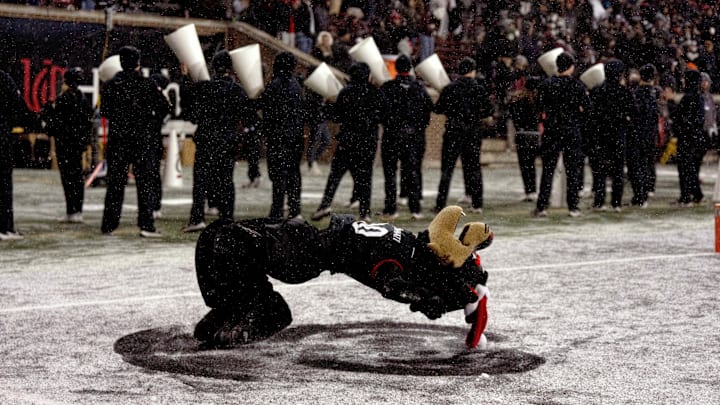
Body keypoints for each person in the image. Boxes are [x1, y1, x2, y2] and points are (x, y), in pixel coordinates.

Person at [192, 206, 493, 349]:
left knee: (229, 239)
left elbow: (392, 286)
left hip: (307, 254)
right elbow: (396, 286)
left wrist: (430, 298)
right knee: (215, 234)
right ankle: (233, 303)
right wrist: (431, 298)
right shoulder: (409, 251)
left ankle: (264, 308)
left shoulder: (405, 253)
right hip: (309, 241)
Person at [100, 46, 170, 237]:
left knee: (115, 184)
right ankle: (146, 224)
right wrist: (149, 122)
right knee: (144, 183)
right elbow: (164, 107)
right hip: (141, 140)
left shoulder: (112, 84)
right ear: (138, 63)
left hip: (118, 140)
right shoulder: (147, 84)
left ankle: (109, 224)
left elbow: (104, 111)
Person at [182, 50, 250, 232]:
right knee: (226, 180)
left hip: (206, 139)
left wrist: (186, 79)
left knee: (201, 180)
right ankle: (227, 218)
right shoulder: (238, 90)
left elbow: (190, 115)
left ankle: (197, 217)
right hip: (228, 141)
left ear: (213, 67)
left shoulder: (203, 88)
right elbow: (248, 117)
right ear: (231, 68)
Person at [311, 62, 386, 222]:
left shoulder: (346, 92)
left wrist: (329, 104)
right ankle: (365, 212)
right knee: (365, 177)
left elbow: (336, 116)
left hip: (348, 140)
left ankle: (325, 205)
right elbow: (384, 115)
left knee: (336, 174)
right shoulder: (375, 93)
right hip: (368, 141)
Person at [433, 57, 494, 214]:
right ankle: (477, 203)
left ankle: (440, 203)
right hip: (473, 132)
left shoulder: (449, 88)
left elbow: (438, 109)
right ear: (472, 71)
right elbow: (489, 110)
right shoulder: (479, 88)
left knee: (447, 169)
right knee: (473, 168)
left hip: (453, 131)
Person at [533, 52, 590, 218]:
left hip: (551, 129)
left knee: (548, 170)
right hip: (571, 131)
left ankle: (542, 206)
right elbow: (587, 109)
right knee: (572, 170)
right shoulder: (577, 85)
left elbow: (539, 106)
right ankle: (573, 207)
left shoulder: (546, 84)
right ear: (571, 67)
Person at [378, 54, 433, 219]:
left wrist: (389, 123)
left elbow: (380, 110)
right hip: (412, 136)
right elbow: (428, 109)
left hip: (392, 135)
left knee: (390, 173)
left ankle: (390, 208)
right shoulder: (419, 87)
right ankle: (415, 208)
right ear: (410, 68)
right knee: (412, 172)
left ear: (396, 68)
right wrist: (418, 127)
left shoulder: (387, 87)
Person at [257, 51, 305, 220]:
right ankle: (295, 208)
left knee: (278, 175)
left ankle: (277, 209)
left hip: (277, 137)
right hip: (295, 137)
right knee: (294, 174)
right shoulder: (297, 86)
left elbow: (266, 111)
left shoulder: (273, 86)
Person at [43, 67, 94, 224]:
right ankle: (77, 210)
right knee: (77, 178)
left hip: (65, 144)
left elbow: (53, 125)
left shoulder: (62, 100)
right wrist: (84, 142)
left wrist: (48, 109)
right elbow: (87, 124)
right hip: (77, 145)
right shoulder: (84, 100)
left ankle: (71, 210)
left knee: (68, 178)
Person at [586, 59, 637, 212]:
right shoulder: (625, 92)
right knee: (618, 170)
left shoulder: (597, 90)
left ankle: (599, 201)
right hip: (618, 134)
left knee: (600, 170)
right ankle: (616, 202)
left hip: (600, 135)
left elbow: (591, 114)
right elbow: (633, 113)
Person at [671, 69, 711, 207]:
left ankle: (686, 197)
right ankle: (695, 195)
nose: (682, 81)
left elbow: (682, 119)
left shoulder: (689, 97)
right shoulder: (698, 97)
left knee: (686, 169)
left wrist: (681, 129)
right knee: (691, 169)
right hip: (694, 139)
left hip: (688, 139)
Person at [0, 68, 32, 241]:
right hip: (2, 138)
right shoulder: (4, 79)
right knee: (4, 184)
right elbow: (19, 106)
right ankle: (5, 227)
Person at [630, 63, 661, 208]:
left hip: (638, 134)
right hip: (651, 134)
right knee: (648, 164)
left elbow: (635, 114)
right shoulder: (655, 93)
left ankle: (639, 196)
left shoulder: (637, 93)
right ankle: (648, 190)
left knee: (637, 166)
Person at [508, 75, 541, 202]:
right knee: (531, 164)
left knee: (524, 164)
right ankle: (533, 190)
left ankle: (528, 190)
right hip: (534, 134)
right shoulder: (537, 101)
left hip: (522, 134)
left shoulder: (518, 100)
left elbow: (513, 115)